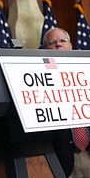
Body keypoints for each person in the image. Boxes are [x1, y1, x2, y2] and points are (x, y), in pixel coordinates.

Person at [43, 27, 90, 178]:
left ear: (71, 45)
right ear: (45, 49)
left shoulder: (86, 71)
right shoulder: (40, 79)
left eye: (63, 40)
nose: (58, 44)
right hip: (63, 159)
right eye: (52, 42)